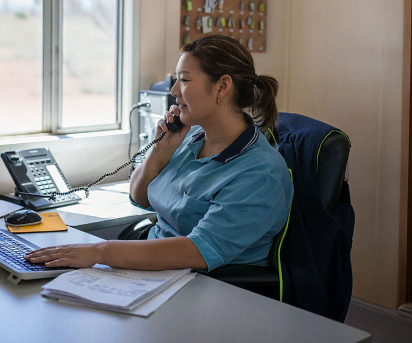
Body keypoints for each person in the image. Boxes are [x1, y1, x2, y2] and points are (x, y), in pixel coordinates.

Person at [25, 35, 293, 272]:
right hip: (156, 274)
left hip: (209, 288)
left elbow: (196, 250)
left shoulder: (260, 173)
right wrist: (161, 150)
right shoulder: (192, 140)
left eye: (184, 80)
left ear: (223, 87)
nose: (174, 91)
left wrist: (99, 252)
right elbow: (139, 197)